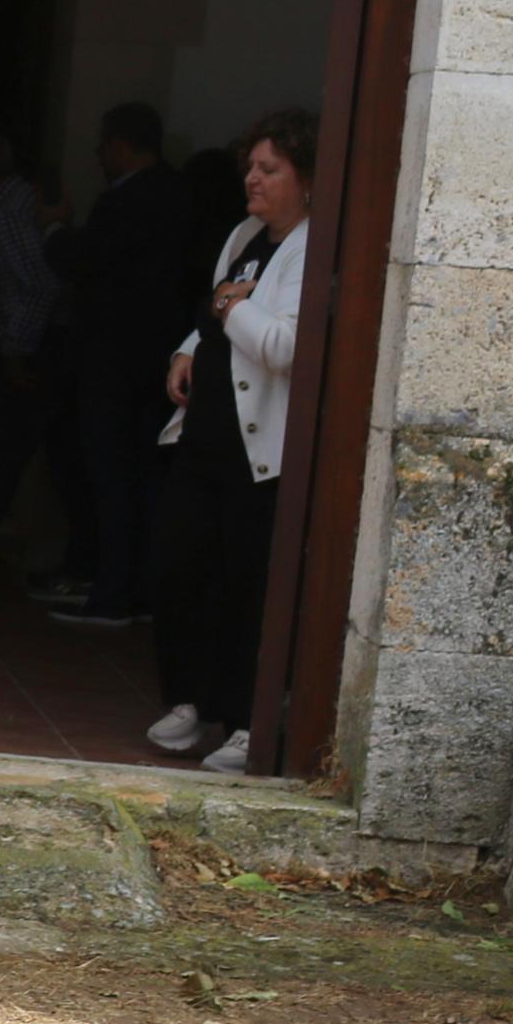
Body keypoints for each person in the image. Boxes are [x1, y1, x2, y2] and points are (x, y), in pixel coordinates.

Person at [150, 109, 312, 774]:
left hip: (258, 454)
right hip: (204, 437)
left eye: (268, 168)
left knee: (248, 586)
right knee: (181, 567)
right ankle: (188, 701)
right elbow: (212, 313)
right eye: (250, 165)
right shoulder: (244, 234)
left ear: (306, 178)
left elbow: (283, 345)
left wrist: (231, 309)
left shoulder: (311, 246)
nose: (252, 178)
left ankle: (248, 721)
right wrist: (187, 348)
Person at [48, 101, 201, 627]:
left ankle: (113, 592)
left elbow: (85, 262)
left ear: (119, 145)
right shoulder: (180, 194)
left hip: (114, 364)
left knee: (112, 478)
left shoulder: (124, 203)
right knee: (146, 478)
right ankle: (136, 589)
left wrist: (54, 231)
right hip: (158, 363)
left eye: (103, 146)